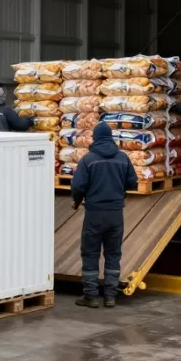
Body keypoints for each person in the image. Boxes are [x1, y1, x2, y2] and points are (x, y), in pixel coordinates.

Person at [70, 122, 137, 308]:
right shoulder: (123, 158)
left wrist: (76, 201)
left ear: (96, 138)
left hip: (94, 213)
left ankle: (91, 296)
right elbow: (133, 182)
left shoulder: (88, 160)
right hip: (116, 214)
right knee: (113, 253)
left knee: (90, 252)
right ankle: (110, 296)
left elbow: (77, 186)